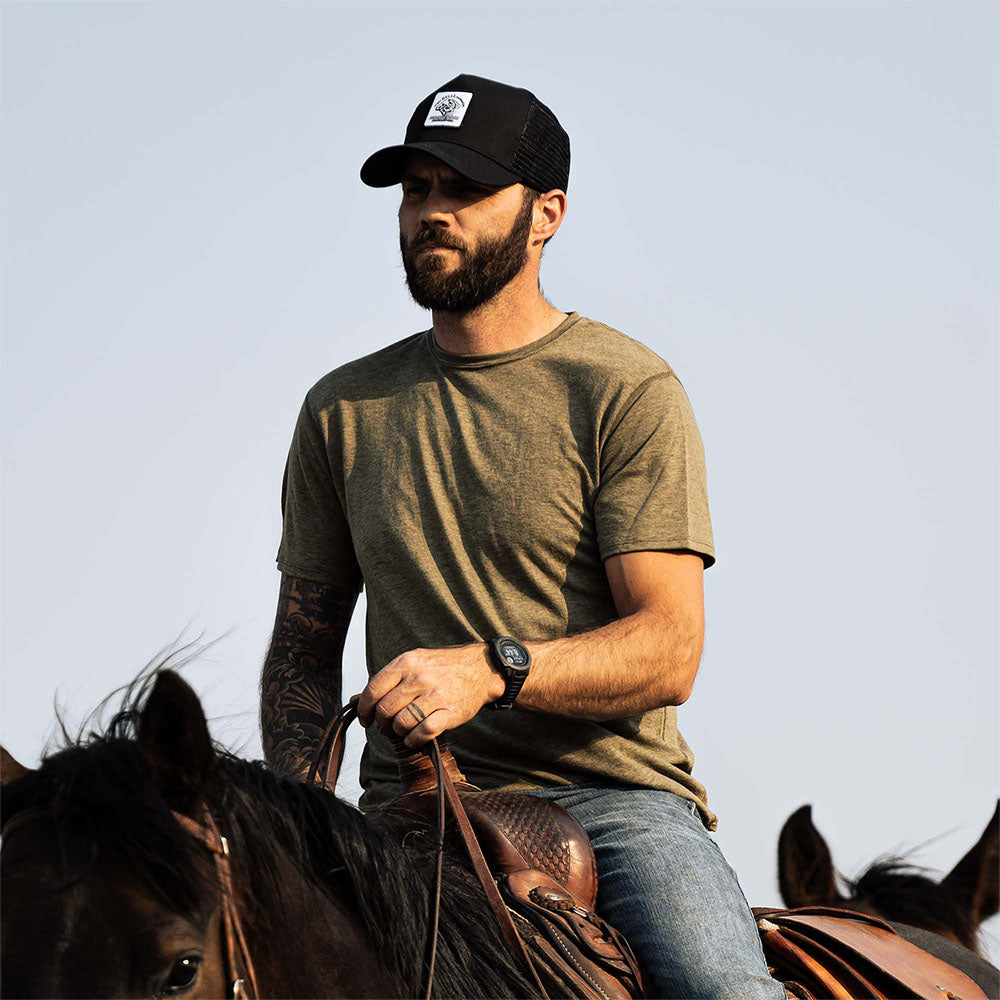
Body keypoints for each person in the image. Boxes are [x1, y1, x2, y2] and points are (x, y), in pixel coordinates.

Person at [260, 73, 784, 999]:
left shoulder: (624, 389)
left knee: (723, 992)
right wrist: (300, 818)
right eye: (416, 190)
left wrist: (487, 669)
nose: (431, 213)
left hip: (613, 804)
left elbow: (669, 649)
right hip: (404, 812)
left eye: (463, 189)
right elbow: (303, 649)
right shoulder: (341, 409)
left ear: (546, 214)